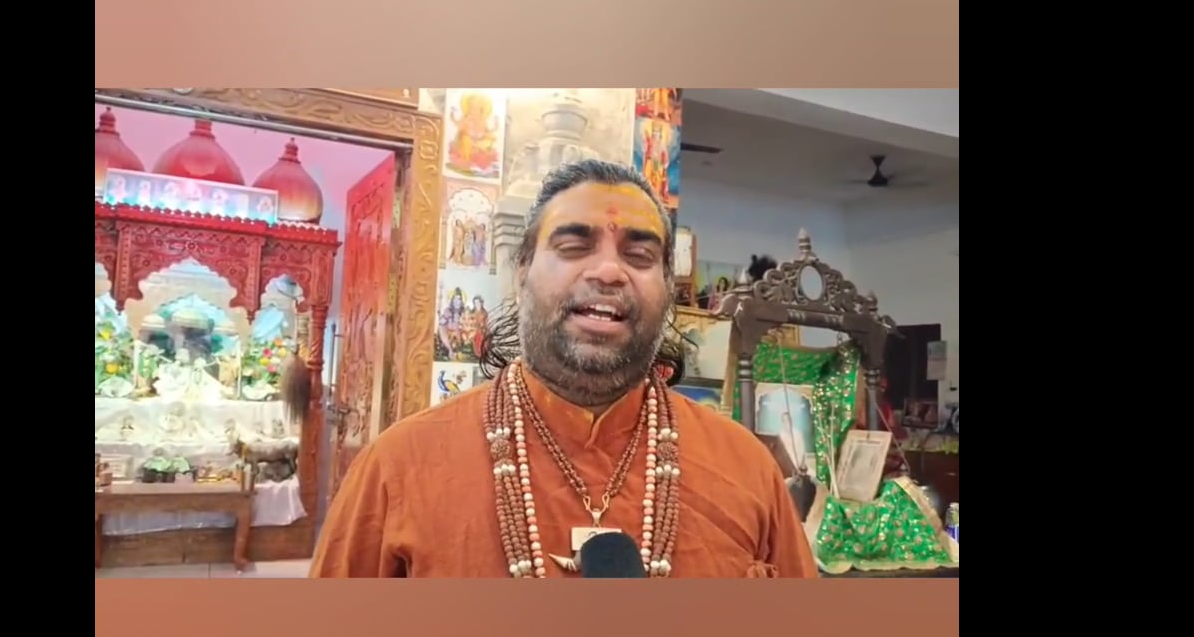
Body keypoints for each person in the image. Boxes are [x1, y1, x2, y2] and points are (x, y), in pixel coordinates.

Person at [311, 159, 816, 578]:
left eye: (640, 255)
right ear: (522, 273)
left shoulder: (747, 469)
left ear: (667, 290)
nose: (609, 270)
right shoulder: (398, 468)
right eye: (574, 248)